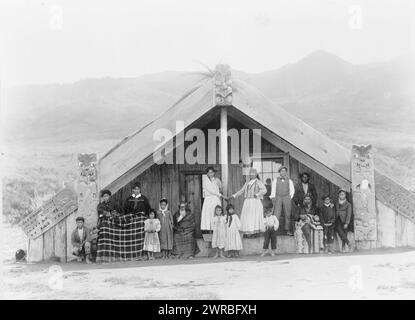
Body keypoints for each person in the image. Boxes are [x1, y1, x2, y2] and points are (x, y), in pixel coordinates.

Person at [228, 168, 266, 235]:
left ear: (256, 175)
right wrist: (233, 196)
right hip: (248, 202)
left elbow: (264, 190)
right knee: (248, 217)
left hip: (255, 201)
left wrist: (257, 194)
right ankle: (249, 232)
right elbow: (241, 191)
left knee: (254, 217)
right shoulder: (247, 183)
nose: (252, 175)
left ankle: (255, 232)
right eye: (250, 174)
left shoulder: (258, 182)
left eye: (253, 174)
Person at [270, 166, 295, 235]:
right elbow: (273, 190)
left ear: (286, 172)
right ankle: (275, 230)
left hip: (287, 197)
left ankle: (287, 230)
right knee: (276, 213)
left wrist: (290, 197)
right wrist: (273, 197)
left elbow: (292, 190)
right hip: (278, 197)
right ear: (279, 172)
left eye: (284, 171)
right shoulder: (275, 180)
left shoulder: (289, 181)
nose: (283, 172)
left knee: (287, 213)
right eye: (281, 171)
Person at [201, 167, 224, 232]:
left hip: (215, 199)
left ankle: (217, 231)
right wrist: (220, 195)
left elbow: (220, 189)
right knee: (209, 214)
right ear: (207, 173)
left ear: (214, 173)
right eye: (209, 172)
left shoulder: (217, 180)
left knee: (215, 213)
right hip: (208, 199)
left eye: (212, 172)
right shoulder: (205, 181)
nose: (210, 174)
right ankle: (209, 231)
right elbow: (210, 190)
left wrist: (219, 194)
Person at [335, 189, 352, 253]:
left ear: (345, 195)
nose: (341, 196)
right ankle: (348, 243)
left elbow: (349, 214)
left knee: (344, 233)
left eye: (343, 194)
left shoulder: (348, 204)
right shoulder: (336, 202)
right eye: (340, 194)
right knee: (340, 231)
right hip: (337, 219)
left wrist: (347, 223)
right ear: (338, 195)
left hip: (344, 220)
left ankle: (343, 247)